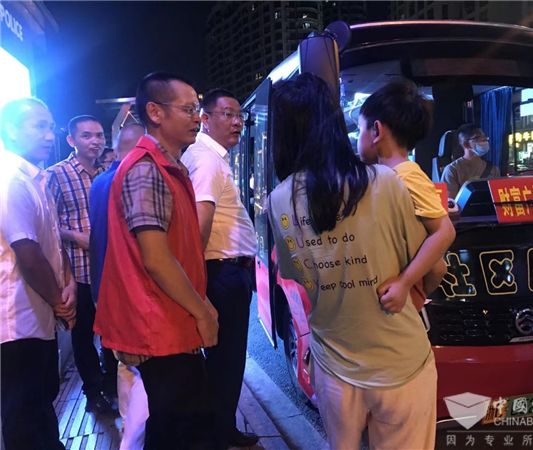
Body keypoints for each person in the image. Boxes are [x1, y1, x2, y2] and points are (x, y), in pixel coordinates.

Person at [267, 73, 437, 450]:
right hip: (400, 360)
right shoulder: (385, 182)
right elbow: (434, 266)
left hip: (333, 362)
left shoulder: (278, 200)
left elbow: (301, 277)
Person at [93, 72, 220, 450]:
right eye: (188, 109)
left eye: (197, 109)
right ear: (155, 112)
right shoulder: (147, 169)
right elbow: (156, 259)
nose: (197, 118)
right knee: (182, 431)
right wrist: (202, 312)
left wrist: (200, 302)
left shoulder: (166, 166)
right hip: (158, 326)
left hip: (167, 321)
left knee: (177, 428)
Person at [180, 89, 258, 448]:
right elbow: (198, 227)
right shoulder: (207, 160)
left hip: (224, 271)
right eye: (228, 114)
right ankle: (217, 435)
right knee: (226, 361)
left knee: (225, 360)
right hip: (222, 273)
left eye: (239, 115)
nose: (237, 122)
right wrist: (198, 289)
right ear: (205, 119)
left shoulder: (210, 157)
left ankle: (221, 428)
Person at [0, 98, 77, 450]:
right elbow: (29, 255)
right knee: (26, 419)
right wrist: (61, 302)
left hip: (38, 315)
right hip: (18, 322)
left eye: (51, 127)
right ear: (11, 129)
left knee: (42, 408)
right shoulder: (10, 180)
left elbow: (52, 242)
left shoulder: (35, 179)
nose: (50, 135)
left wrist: (69, 282)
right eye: (39, 126)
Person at [357, 80, 455, 309]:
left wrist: (404, 283)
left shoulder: (406, 175)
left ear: (377, 131)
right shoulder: (387, 176)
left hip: (399, 302)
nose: (358, 138)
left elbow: (444, 231)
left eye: (360, 129)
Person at [47, 115, 117, 413]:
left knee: (113, 332)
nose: (95, 141)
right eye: (87, 136)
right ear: (71, 140)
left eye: (99, 135)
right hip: (77, 270)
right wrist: (75, 235)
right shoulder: (55, 174)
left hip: (110, 269)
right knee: (83, 336)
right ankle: (93, 393)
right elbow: (47, 223)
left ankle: (114, 387)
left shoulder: (107, 172)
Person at [89, 122, 147, 449]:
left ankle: (129, 430)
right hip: (127, 289)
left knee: (125, 367)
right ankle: (135, 438)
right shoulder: (130, 180)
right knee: (138, 372)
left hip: (104, 287)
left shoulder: (100, 181)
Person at [440, 123, 500, 198]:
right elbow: (450, 202)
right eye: (478, 137)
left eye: (484, 136)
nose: (484, 139)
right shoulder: (452, 170)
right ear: (466, 144)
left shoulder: (493, 169)